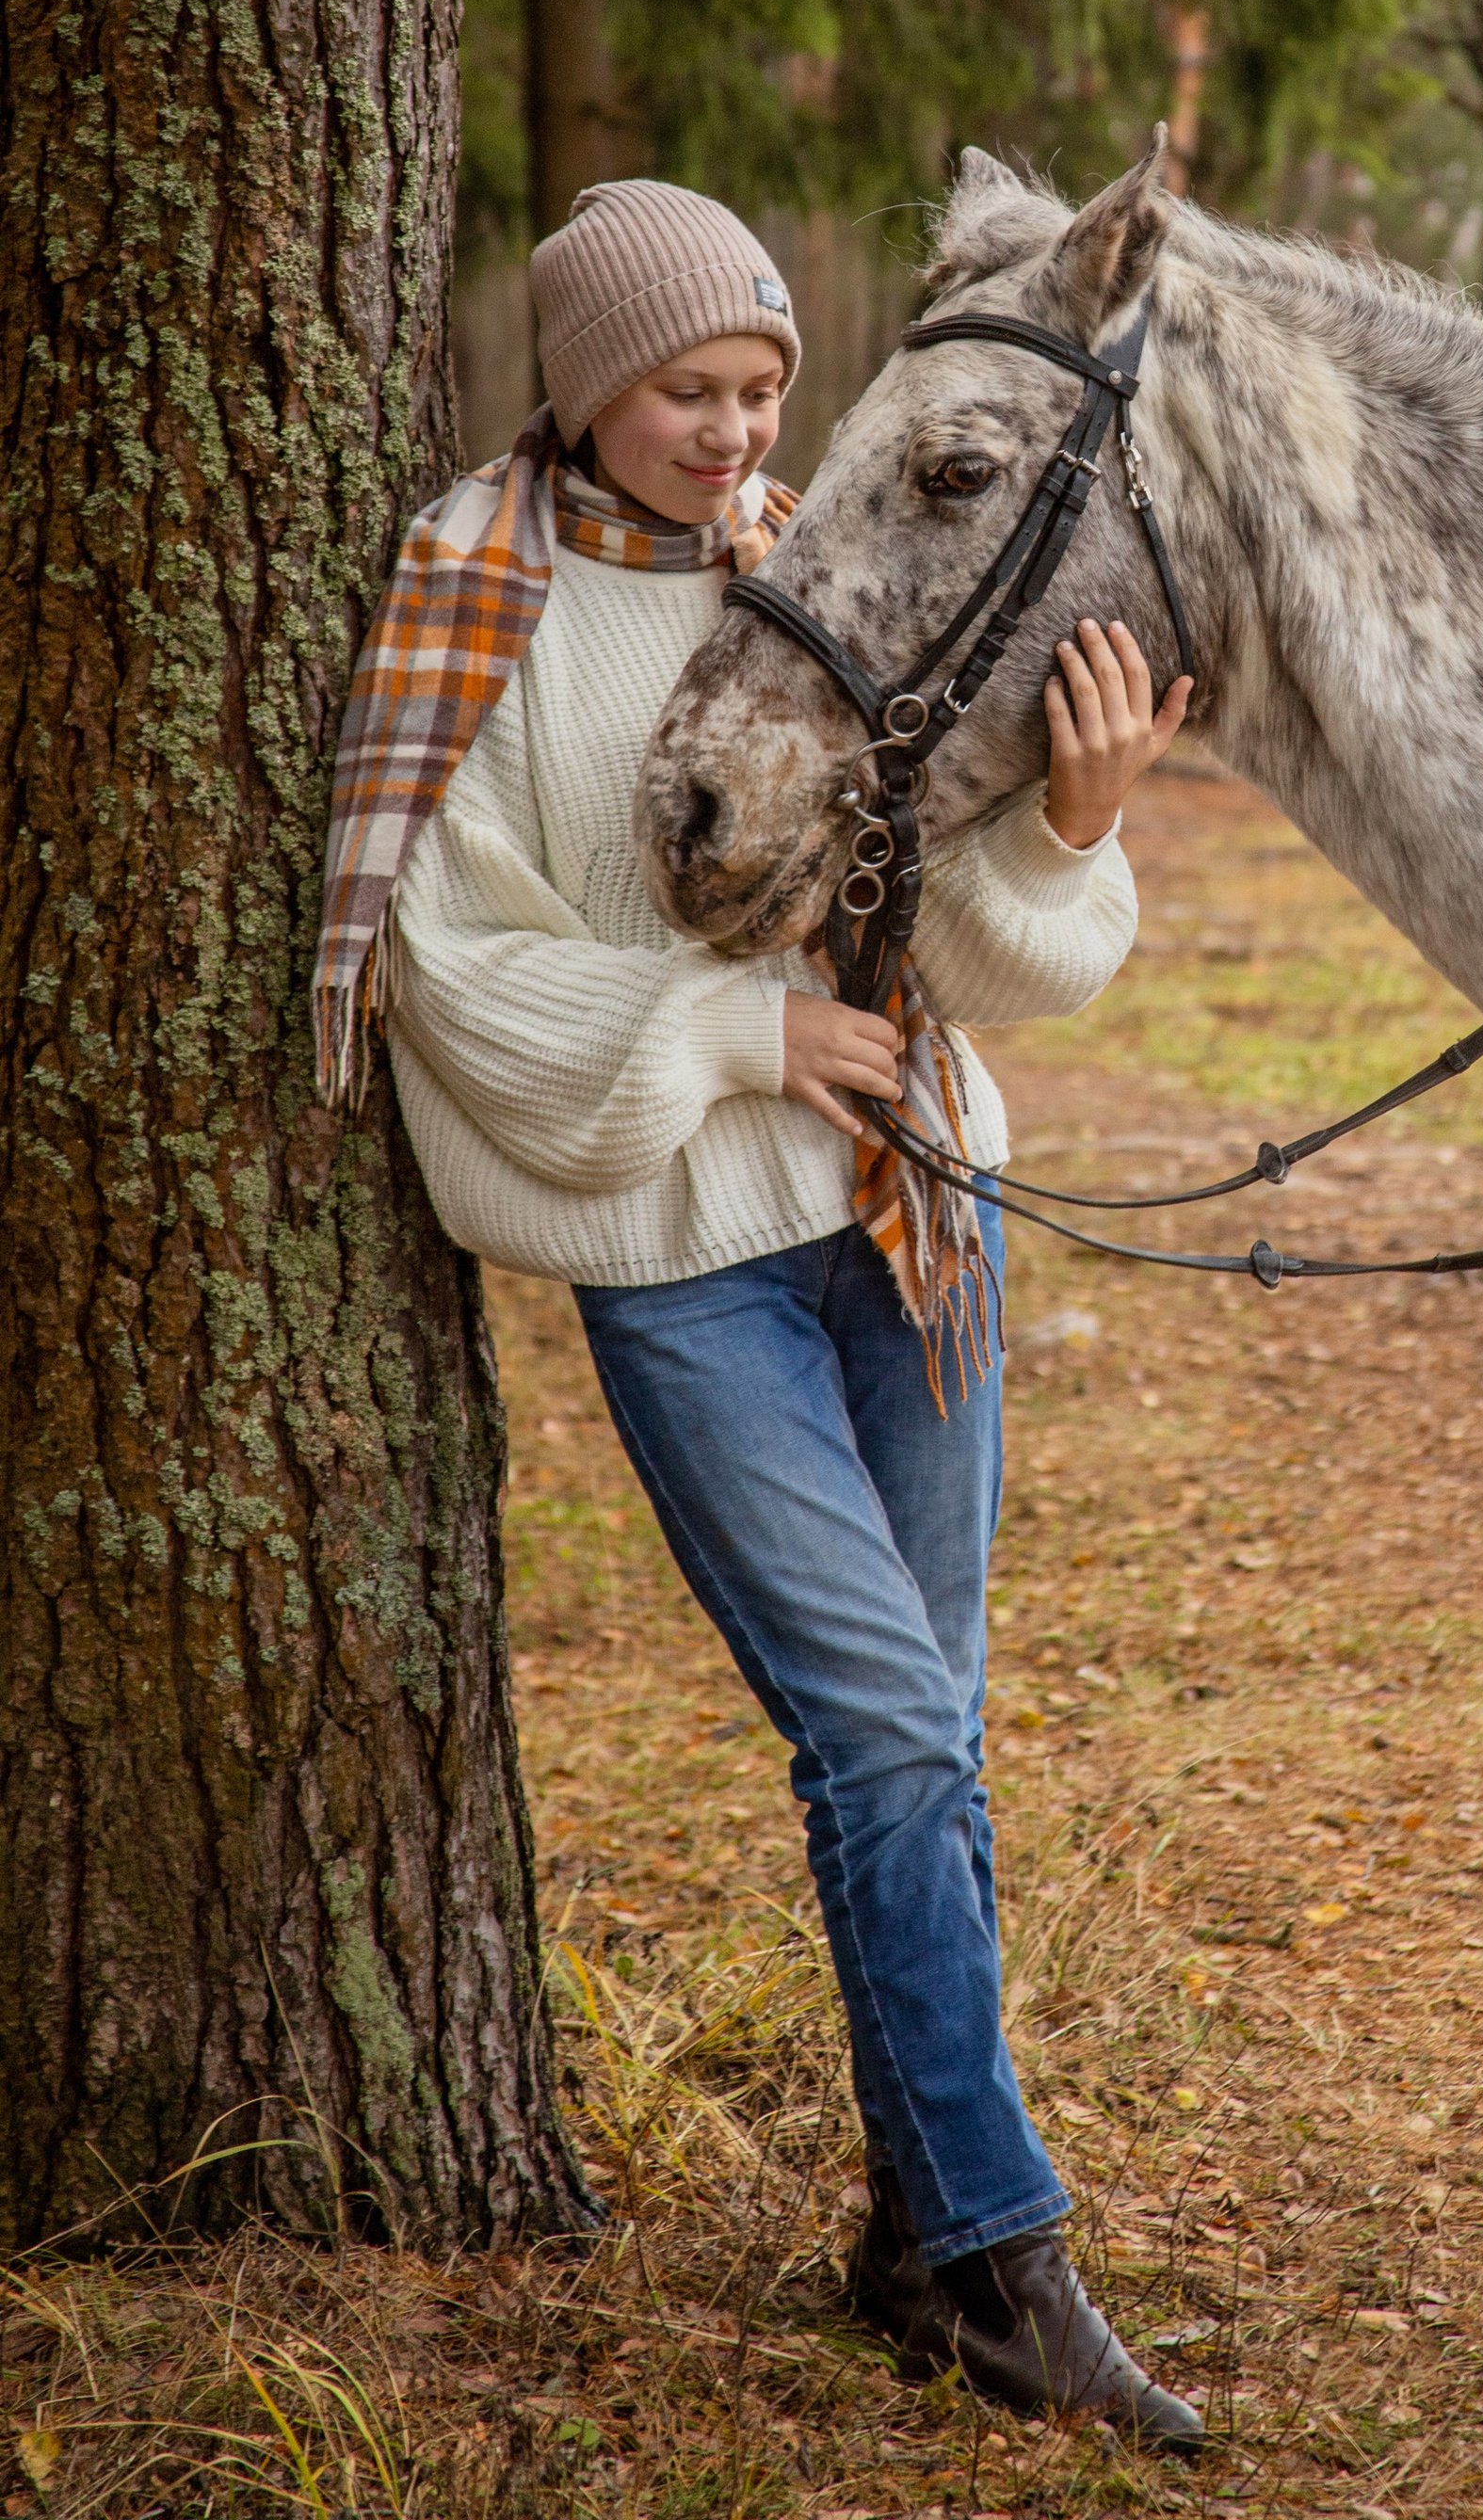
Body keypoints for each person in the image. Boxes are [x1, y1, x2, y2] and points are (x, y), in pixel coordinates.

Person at [313, 178, 1200, 2448]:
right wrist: (734, 1039)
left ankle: (912, 2249)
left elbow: (981, 965)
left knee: (937, 1741)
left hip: (911, 1222)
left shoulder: (815, 575)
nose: (731, 434)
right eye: (688, 394)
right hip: (687, 1262)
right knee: (886, 1740)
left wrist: (1074, 827)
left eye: (758, 390)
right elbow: (446, 962)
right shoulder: (475, 607)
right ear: (591, 390)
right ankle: (1008, 2264)